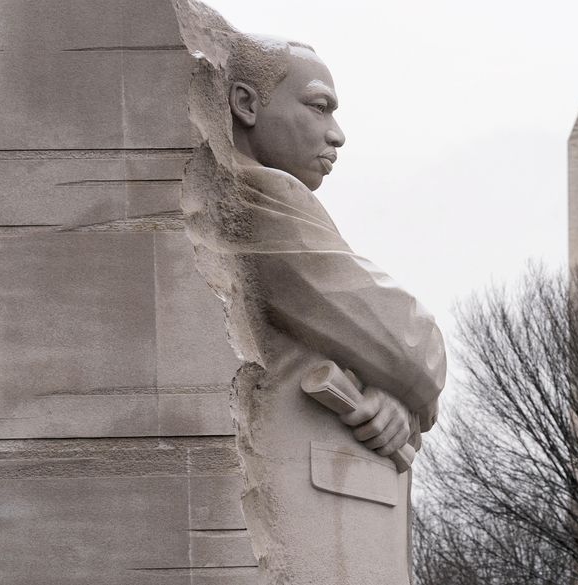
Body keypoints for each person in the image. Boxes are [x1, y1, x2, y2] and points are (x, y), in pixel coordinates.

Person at [175, 2, 445, 583]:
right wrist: (406, 381)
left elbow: (373, 350)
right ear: (246, 104)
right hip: (310, 514)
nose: (337, 134)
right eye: (318, 106)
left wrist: (395, 399)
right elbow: (409, 347)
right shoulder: (262, 197)